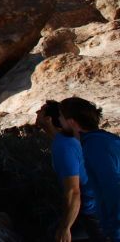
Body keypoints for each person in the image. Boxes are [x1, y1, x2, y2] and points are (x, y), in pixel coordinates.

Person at [35, 100, 107, 242]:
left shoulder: (63, 146)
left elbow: (74, 192)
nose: (37, 113)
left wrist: (65, 228)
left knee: (56, 234)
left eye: (41, 111)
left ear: (49, 119)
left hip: (97, 213)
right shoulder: (76, 138)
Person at [61, 97, 120, 242]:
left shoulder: (95, 146)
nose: (58, 122)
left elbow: (112, 189)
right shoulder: (104, 140)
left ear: (72, 122)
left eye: (60, 117)